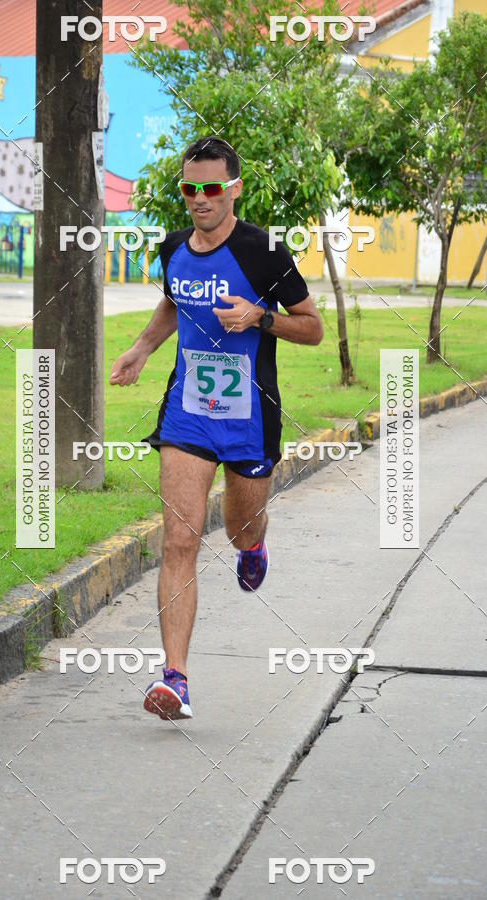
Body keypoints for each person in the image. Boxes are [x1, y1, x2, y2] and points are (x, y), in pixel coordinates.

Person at [109, 136, 323, 720]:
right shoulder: (174, 247)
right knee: (179, 537)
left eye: (210, 188)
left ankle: (253, 546)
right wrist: (140, 350)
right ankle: (174, 678)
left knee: (237, 527)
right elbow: (173, 304)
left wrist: (261, 316)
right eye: (189, 188)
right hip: (188, 412)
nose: (199, 199)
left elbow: (313, 328)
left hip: (250, 416)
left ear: (234, 189)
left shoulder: (264, 253)